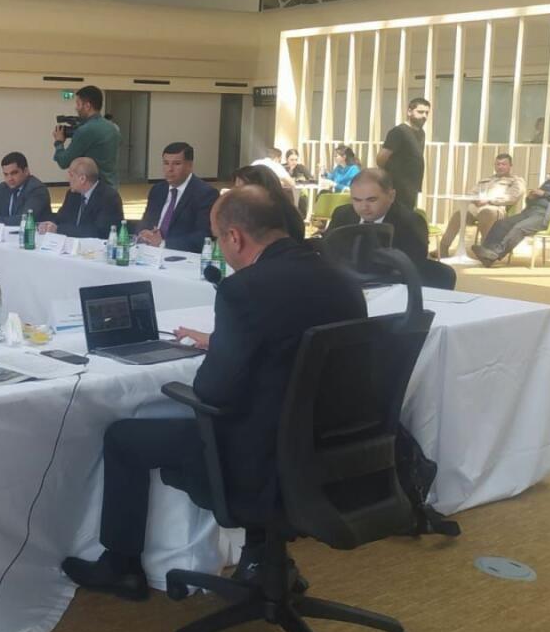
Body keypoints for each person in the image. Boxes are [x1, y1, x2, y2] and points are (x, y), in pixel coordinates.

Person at [60, 186, 367, 599]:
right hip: (334, 448)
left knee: (124, 437)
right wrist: (227, 344)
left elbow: (213, 391)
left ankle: (120, 566)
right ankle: (259, 555)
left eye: (219, 239)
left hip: (260, 457)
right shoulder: (342, 280)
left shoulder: (244, 289)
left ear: (234, 237)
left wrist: (224, 352)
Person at [473, 155, 550, 266]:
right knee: (502, 223)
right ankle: (486, 251)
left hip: (546, 215)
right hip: (531, 211)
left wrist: (544, 194)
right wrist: (531, 197)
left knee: (519, 228)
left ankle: (494, 255)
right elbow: (537, 197)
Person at [327, 169, 428, 264]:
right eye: (357, 200)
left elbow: (412, 266)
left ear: (391, 196)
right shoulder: (342, 215)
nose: (364, 207)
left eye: (372, 200)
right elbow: (327, 252)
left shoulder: (411, 223)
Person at [136, 142, 218, 253]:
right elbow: (146, 221)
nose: (170, 169)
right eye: (166, 163)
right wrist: (144, 233)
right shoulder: (157, 190)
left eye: (177, 164)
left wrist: (163, 243)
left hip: (182, 255)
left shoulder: (205, 194)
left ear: (189, 165)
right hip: (150, 252)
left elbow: (204, 236)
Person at [438, 153, 526, 257]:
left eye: (504, 164)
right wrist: (475, 200)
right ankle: (443, 248)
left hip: (496, 208)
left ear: (510, 166)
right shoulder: (485, 180)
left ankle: (486, 251)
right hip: (476, 207)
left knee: (486, 213)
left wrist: (490, 201)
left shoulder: (516, 181)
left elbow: (512, 197)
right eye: (498, 164)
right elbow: (471, 193)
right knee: (459, 214)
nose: (500, 167)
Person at [53, 85, 121, 189]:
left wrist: (58, 142)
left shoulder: (86, 130)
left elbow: (63, 162)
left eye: (78, 104)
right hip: (112, 188)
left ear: (87, 106)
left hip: (93, 190)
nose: (76, 108)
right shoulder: (113, 128)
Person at [38, 158, 122, 240]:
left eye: (71, 175)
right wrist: (49, 225)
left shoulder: (109, 198)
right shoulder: (73, 194)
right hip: (72, 244)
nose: (68, 179)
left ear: (82, 179)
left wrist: (59, 229)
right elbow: (60, 219)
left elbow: (99, 232)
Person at [378, 97, 430, 209]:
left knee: (408, 215)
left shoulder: (421, 133)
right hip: (396, 187)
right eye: (420, 112)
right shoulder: (399, 131)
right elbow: (381, 158)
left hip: (412, 187)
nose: (424, 116)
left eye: (427, 113)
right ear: (409, 112)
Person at [0, 152, 51, 226]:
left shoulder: (36, 189)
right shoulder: (3, 188)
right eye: (6, 174)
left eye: (14, 173)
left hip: (33, 233)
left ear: (26, 171)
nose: (9, 179)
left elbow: (26, 219)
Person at [233, 165, 305, 243]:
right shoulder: (286, 209)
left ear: (260, 189)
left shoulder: (265, 217)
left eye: (241, 190)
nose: (236, 194)